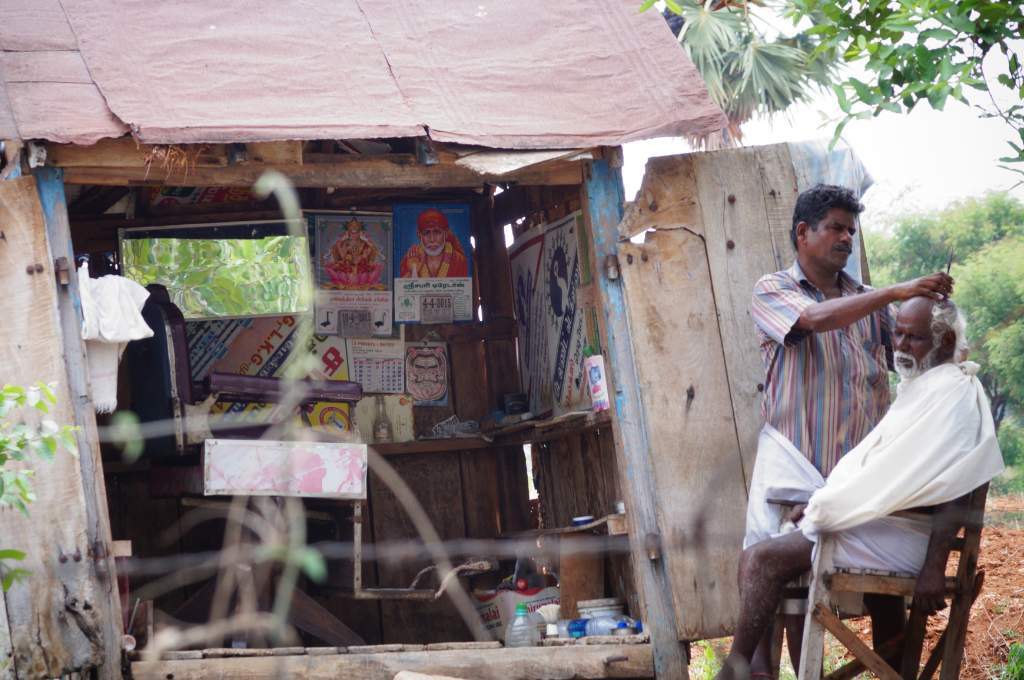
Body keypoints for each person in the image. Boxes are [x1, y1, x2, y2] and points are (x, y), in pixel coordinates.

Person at [716, 297, 1005, 680]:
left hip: (910, 537)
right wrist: (823, 501)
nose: (900, 346)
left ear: (947, 342)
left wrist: (935, 565)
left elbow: (956, 486)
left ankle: (734, 673)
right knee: (777, 550)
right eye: (897, 333)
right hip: (892, 527)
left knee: (760, 559)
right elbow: (875, 467)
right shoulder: (925, 387)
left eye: (913, 338)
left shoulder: (952, 394)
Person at [746, 184, 954, 674]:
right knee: (775, 598)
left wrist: (932, 317)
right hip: (792, 470)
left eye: (851, 230)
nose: (847, 238)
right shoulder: (774, 289)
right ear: (803, 233)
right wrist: (899, 290)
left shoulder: (872, 304)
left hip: (858, 481)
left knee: (885, 604)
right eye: (836, 227)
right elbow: (813, 320)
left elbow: (913, 353)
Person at [399, 208, 469, 278]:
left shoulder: (459, 260)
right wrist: (414, 271)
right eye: (426, 233)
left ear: (446, 233)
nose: (432, 239)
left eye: (437, 232)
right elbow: (403, 287)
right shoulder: (410, 259)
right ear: (419, 235)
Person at [323, 217, 385, 289]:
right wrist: (343, 253)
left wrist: (364, 256)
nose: (354, 235)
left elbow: (371, 256)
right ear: (348, 233)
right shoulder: (343, 243)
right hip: (346, 270)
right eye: (351, 233)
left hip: (361, 271)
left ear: (360, 233)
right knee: (339, 268)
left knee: (367, 270)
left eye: (356, 232)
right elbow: (338, 256)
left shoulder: (365, 244)